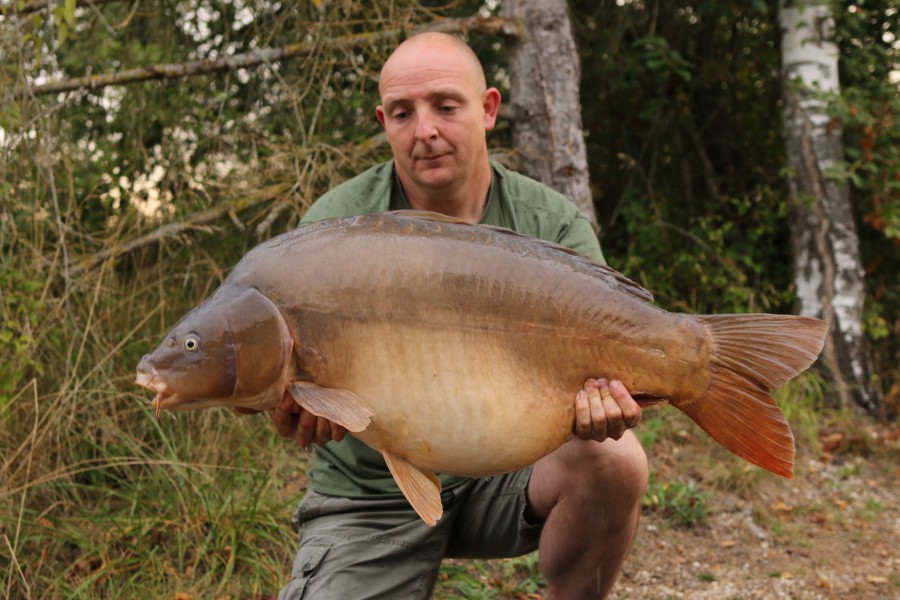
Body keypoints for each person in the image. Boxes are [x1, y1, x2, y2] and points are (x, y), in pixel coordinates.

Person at [271, 32, 648, 599]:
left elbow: (610, 361)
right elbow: (282, 383)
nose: (425, 131)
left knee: (615, 459)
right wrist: (290, 412)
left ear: (488, 108)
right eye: (403, 113)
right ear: (383, 121)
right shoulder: (334, 230)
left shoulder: (551, 224)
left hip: (511, 473)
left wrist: (606, 403)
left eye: (446, 106)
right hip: (370, 497)